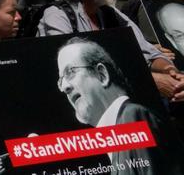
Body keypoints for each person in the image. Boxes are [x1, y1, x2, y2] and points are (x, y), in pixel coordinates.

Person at [37, 0, 184, 102]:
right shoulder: (58, 15)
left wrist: (171, 72)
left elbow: (150, 53)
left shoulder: (110, 13)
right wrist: (152, 80)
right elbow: (75, 67)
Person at [55, 37, 183, 172]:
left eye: (71, 72)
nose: (64, 87)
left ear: (102, 74)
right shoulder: (118, 136)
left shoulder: (132, 117)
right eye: (60, 80)